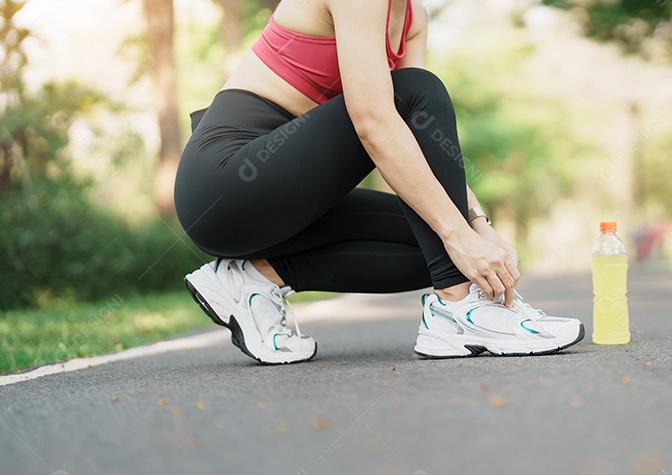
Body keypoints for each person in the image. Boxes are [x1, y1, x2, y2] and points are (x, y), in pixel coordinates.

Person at [174, 0, 584, 364]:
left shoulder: (413, 17)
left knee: (434, 241)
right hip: (227, 183)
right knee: (418, 100)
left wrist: (477, 227)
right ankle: (460, 308)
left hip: (287, 197)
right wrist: (458, 235)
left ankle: (257, 276)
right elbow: (376, 121)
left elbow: (418, 138)